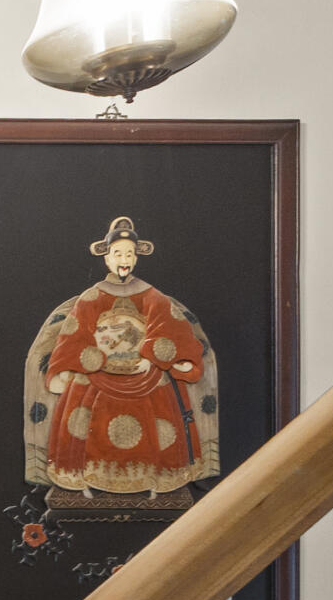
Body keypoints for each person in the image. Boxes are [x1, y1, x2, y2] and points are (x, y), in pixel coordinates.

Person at [26, 216, 220, 509]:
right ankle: (86, 481)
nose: (125, 259)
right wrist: (94, 358)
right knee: (81, 413)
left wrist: (153, 355)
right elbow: (75, 336)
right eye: (118, 253)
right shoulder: (91, 298)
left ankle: (157, 481)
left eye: (130, 253)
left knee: (160, 417)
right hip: (98, 371)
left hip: (145, 371)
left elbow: (168, 327)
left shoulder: (152, 295)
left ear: (137, 257)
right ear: (106, 258)